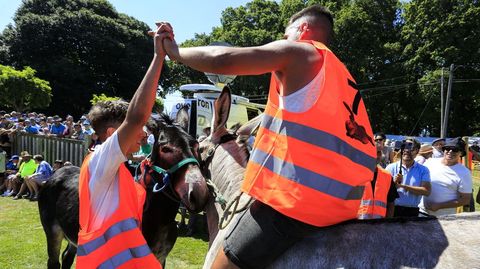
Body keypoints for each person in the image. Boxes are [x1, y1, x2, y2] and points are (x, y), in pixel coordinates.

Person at [162, 5, 376, 268]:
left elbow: (224, 59)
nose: (283, 41)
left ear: (303, 29)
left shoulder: (302, 50)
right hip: (345, 210)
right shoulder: (343, 80)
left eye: (286, 35)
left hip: (294, 206)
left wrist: (175, 52)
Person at [75, 23, 170, 268]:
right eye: (137, 130)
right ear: (111, 134)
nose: (143, 134)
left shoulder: (107, 166)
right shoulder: (101, 159)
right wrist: (159, 57)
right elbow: (137, 117)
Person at [420, 137, 473, 216]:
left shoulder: (464, 172)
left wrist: (439, 206)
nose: (450, 152)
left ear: (461, 153)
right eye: (448, 148)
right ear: (444, 150)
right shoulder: (430, 162)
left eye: (455, 149)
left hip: (444, 217)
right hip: (421, 212)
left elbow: (465, 199)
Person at [385, 138, 431, 217]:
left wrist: (402, 186)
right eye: (404, 147)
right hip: (392, 209)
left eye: (411, 147)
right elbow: (383, 191)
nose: (407, 150)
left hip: (412, 211)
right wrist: (394, 185)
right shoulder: (390, 168)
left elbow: (426, 191)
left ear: (417, 151)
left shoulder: (423, 170)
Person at [358, 146, 399, 219]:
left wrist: (387, 223)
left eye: (378, 153)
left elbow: (391, 203)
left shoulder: (387, 176)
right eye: (371, 152)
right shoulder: (355, 174)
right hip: (357, 224)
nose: (375, 156)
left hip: (379, 224)